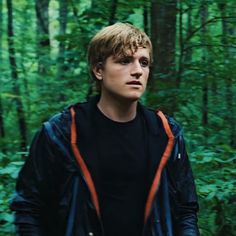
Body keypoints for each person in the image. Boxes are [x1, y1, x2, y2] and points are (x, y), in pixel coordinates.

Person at [10, 23, 200, 236]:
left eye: (144, 63)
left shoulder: (167, 133)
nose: (137, 71)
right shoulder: (61, 133)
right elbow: (28, 208)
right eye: (125, 61)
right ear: (99, 70)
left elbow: (186, 209)